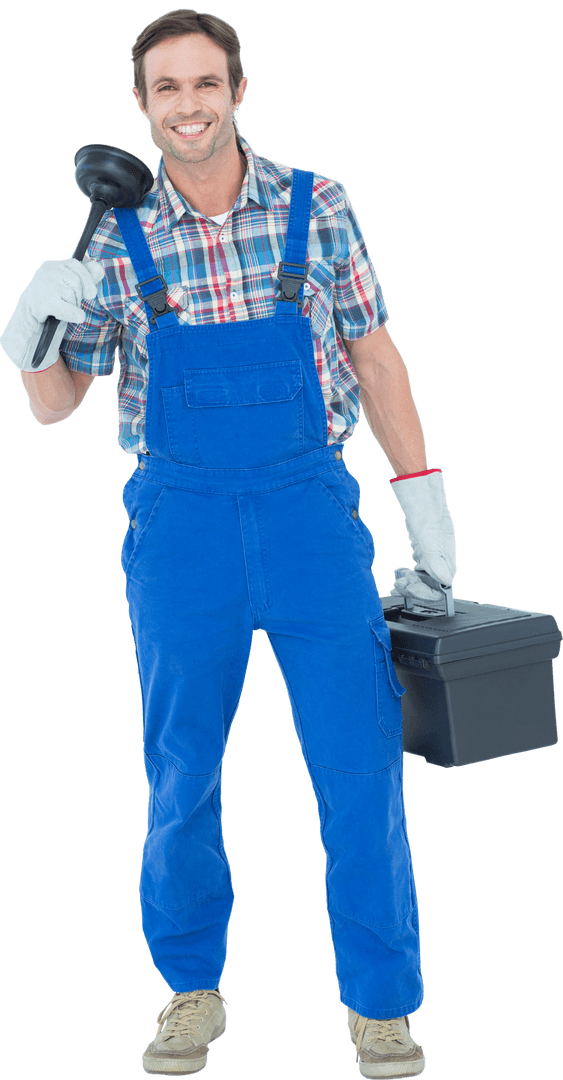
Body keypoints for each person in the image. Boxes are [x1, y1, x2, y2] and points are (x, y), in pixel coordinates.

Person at [0, 9, 456, 1078]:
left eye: (206, 84)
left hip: (307, 516)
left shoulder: (317, 204)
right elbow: (60, 408)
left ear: (237, 90)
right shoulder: (115, 235)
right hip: (180, 528)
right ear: (142, 106)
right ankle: (190, 991)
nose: (188, 106)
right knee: (181, 769)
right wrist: (28, 340)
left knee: (357, 766)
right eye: (166, 90)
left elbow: (374, 358)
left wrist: (422, 505)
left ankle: (380, 1005)